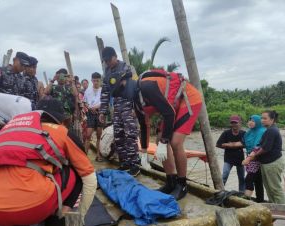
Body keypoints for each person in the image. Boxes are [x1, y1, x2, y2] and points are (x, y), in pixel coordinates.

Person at [0, 99, 97, 226]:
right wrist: (80, 216)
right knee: (76, 171)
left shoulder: (8, 130)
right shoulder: (60, 131)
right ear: (59, 119)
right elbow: (90, 178)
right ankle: (63, 220)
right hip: (34, 206)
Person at [134, 69, 202, 200]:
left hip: (188, 97)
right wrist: (143, 151)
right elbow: (144, 126)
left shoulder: (146, 88)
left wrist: (165, 142)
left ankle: (182, 184)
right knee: (160, 139)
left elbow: (169, 114)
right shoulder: (136, 103)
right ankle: (171, 182)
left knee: (175, 142)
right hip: (172, 106)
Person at [99, 46, 140, 176]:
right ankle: (125, 163)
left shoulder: (127, 68)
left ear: (115, 57)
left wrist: (135, 107)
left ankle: (135, 165)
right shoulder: (106, 72)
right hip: (117, 107)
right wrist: (102, 111)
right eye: (105, 61)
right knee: (118, 136)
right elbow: (105, 93)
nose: (107, 63)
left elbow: (136, 88)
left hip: (129, 105)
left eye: (108, 60)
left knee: (130, 135)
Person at [242, 110, 285, 204]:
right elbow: (260, 146)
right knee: (269, 188)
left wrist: (250, 157)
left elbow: (264, 148)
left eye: (265, 118)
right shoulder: (268, 130)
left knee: (275, 189)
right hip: (267, 163)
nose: (262, 120)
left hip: (272, 163)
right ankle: (274, 207)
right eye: (261, 118)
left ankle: (284, 210)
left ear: (272, 119)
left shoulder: (271, 131)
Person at [216, 115, 246, 192]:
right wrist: (231, 145)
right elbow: (218, 144)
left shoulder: (243, 133)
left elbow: (247, 144)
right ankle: (220, 191)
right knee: (224, 175)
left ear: (240, 123)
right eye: (232, 123)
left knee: (241, 177)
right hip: (228, 158)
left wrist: (230, 144)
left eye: (236, 123)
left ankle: (241, 193)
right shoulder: (226, 133)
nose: (234, 125)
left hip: (240, 158)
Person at [243, 115, 266, 202]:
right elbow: (244, 142)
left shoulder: (261, 131)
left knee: (248, 179)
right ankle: (260, 200)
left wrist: (249, 158)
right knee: (258, 181)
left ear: (258, 122)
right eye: (249, 120)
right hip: (251, 156)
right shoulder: (249, 132)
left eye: (253, 121)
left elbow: (258, 146)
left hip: (256, 158)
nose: (250, 122)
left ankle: (245, 199)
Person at [84, 72, 103, 161]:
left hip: (100, 114)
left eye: (97, 81)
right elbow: (84, 102)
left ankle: (98, 155)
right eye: (94, 80)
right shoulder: (87, 91)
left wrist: (97, 107)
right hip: (90, 114)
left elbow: (104, 102)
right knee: (88, 135)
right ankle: (85, 156)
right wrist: (89, 108)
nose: (95, 82)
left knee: (99, 135)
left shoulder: (103, 90)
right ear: (91, 80)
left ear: (100, 80)